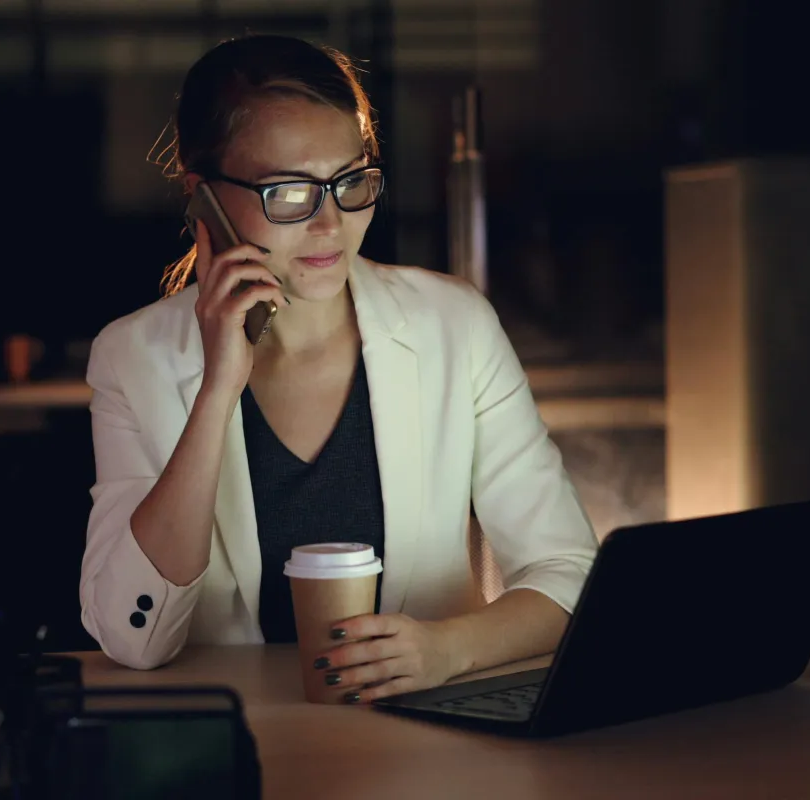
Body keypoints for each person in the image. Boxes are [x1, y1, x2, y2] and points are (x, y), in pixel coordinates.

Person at [80, 34, 598, 703]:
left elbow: (570, 573)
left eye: (351, 182)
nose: (330, 224)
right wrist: (217, 391)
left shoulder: (453, 326)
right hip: (237, 749)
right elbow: (134, 639)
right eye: (289, 193)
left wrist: (448, 649)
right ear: (203, 198)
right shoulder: (132, 358)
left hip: (427, 746)